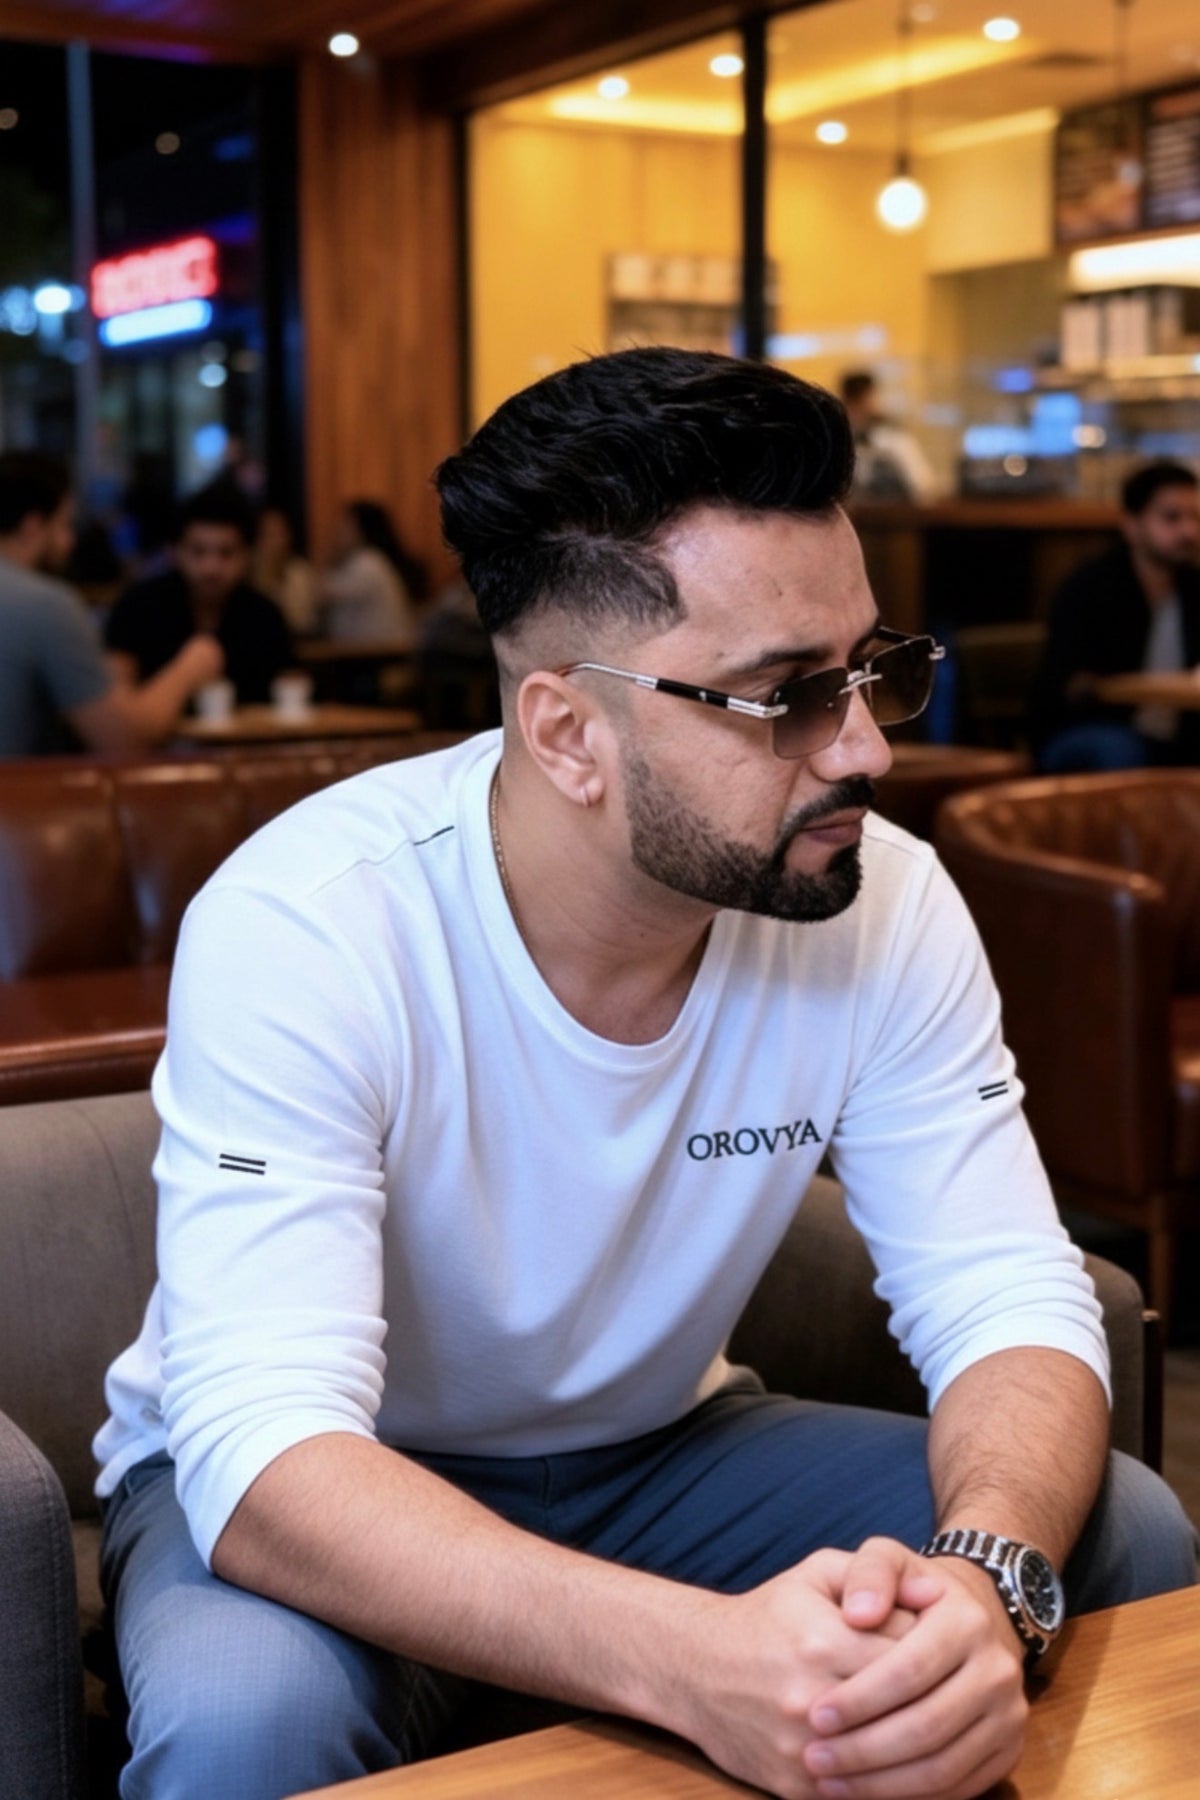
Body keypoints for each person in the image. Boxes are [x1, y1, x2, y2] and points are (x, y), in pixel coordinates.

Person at [94, 349, 1195, 1800]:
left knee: (1122, 1533)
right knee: (249, 1724)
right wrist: (693, 1662)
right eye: (786, 696)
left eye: (873, 669)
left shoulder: (882, 899)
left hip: (662, 1449)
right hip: (333, 1471)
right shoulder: (311, 921)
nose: (866, 748)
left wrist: (986, 1584)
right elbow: (264, 1443)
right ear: (568, 733)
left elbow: (1005, 1290)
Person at [0, 451, 223, 758]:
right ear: (32, 526)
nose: (71, 542)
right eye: (65, 525)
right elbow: (125, 741)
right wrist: (190, 668)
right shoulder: (45, 605)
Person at [1029, 460, 1200, 772]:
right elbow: (1071, 684)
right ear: (1132, 525)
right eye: (1171, 517)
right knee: (1119, 749)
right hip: (1088, 728)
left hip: (1174, 733)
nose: (1188, 530)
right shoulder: (1091, 586)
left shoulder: (1192, 589)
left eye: (1195, 517)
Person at [105, 486, 293, 705]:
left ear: (247, 556)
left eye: (226, 553)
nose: (211, 567)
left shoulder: (265, 616)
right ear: (175, 552)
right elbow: (116, 699)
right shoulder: (137, 608)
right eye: (198, 552)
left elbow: (291, 690)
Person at [319, 497, 426, 643]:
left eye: (344, 526)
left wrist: (329, 556)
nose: (336, 534)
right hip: (378, 648)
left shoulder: (368, 563)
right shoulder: (374, 560)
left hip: (376, 651)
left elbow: (322, 593)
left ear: (360, 530)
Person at [839, 369, 938, 504]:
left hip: (890, 510)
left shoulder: (892, 437)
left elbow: (923, 486)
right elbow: (923, 485)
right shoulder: (893, 438)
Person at [252, 504, 319, 636]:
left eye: (279, 534)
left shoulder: (300, 572)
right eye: (268, 535)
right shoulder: (248, 574)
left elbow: (303, 619)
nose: (273, 542)